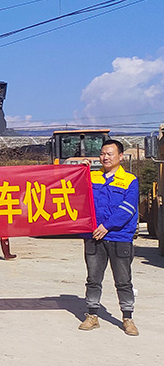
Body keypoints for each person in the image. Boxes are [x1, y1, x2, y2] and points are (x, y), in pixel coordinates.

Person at [78, 139, 139, 336]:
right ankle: (92, 315)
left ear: (120, 156)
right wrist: (80, 170)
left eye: (110, 154)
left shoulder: (129, 180)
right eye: (102, 154)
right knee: (93, 279)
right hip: (94, 236)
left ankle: (127, 318)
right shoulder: (92, 177)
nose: (105, 157)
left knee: (123, 280)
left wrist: (107, 226)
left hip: (119, 237)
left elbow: (127, 208)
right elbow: (72, 189)